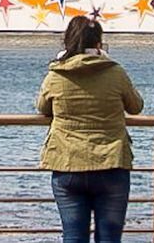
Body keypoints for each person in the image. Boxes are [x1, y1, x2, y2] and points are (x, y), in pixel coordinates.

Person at [36, 17, 144, 243]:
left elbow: (42, 107)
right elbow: (136, 106)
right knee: (110, 238)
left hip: (67, 165)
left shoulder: (56, 75)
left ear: (67, 43)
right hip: (111, 164)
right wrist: (107, 62)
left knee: (73, 236)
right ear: (99, 44)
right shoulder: (115, 72)